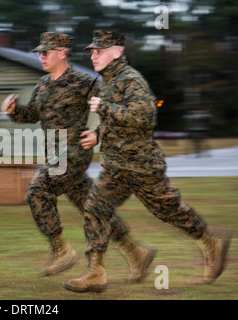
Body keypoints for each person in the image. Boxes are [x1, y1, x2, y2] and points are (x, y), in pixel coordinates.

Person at [64, 30, 230, 292]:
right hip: (115, 166)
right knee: (94, 208)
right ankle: (97, 271)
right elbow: (116, 123)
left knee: (168, 210)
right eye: (92, 52)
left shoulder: (131, 79)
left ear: (116, 52)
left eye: (99, 51)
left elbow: (145, 118)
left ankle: (210, 243)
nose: (93, 55)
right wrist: (97, 136)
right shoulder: (106, 81)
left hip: (141, 165)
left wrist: (105, 108)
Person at [1, 32, 155, 281]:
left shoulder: (85, 82)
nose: (41, 56)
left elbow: (115, 108)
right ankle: (136, 252)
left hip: (73, 154)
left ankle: (62, 251)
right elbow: (32, 114)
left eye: (46, 52)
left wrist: (98, 134)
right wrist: (13, 111)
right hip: (54, 155)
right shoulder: (42, 83)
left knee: (37, 191)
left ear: (62, 53)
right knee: (94, 209)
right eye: (39, 52)